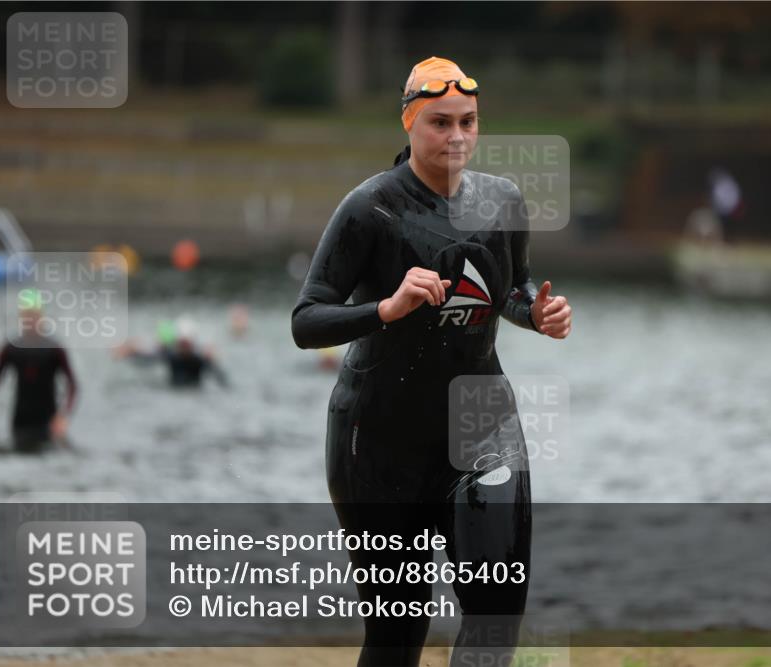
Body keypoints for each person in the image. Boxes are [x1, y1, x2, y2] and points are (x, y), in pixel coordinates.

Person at [291, 56, 572, 667]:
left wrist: (535, 314)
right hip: (380, 437)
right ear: (409, 123)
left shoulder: (503, 202)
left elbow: (512, 290)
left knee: (495, 616)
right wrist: (386, 309)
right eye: (440, 123)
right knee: (398, 637)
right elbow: (305, 320)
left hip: (481, 423)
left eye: (468, 122)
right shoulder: (371, 209)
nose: (458, 138)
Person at [0, 304, 78, 453]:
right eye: (27, 319)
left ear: (42, 320)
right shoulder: (12, 348)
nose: (31, 323)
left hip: (48, 418)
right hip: (21, 418)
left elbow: (72, 384)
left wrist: (62, 416)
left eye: (34, 319)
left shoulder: (54, 349)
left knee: (52, 455)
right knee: (18, 454)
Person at [115, 317, 228, 389]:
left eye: (187, 343)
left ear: (193, 343)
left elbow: (221, 379)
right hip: (174, 390)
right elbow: (147, 360)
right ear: (177, 342)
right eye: (181, 343)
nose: (184, 347)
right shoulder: (171, 355)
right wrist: (130, 353)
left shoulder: (200, 359)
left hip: (195, 391)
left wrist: (213, 359)